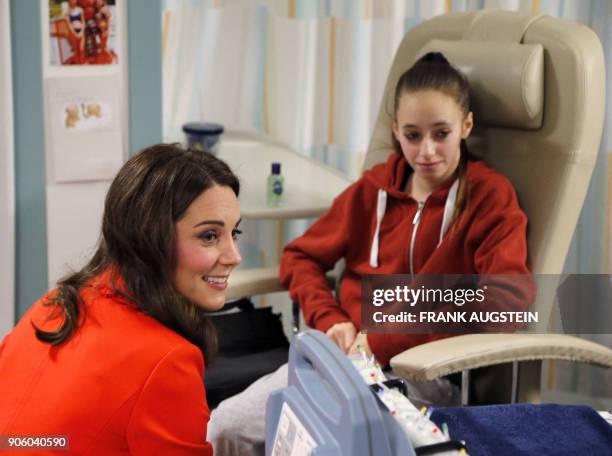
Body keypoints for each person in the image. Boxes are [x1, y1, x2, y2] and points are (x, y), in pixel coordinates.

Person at [207, 52, 534, 455]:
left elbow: (507, 302)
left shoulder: (489, 197)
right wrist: (331, 320)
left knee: (313, 444)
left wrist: (382, 339)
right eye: (413, 135)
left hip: (421, 371)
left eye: (441, 133)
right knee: (227, 427)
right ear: (396, 131)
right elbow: (300, 257)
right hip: (343, 359)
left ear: (465, 126)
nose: (427, 151)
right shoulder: (375, 189)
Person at [0, 144, 243, 454]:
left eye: (234, 233)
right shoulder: (167, 363)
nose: (234, 256)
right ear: (150, 237)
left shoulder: (56, 303)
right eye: (209, 236)